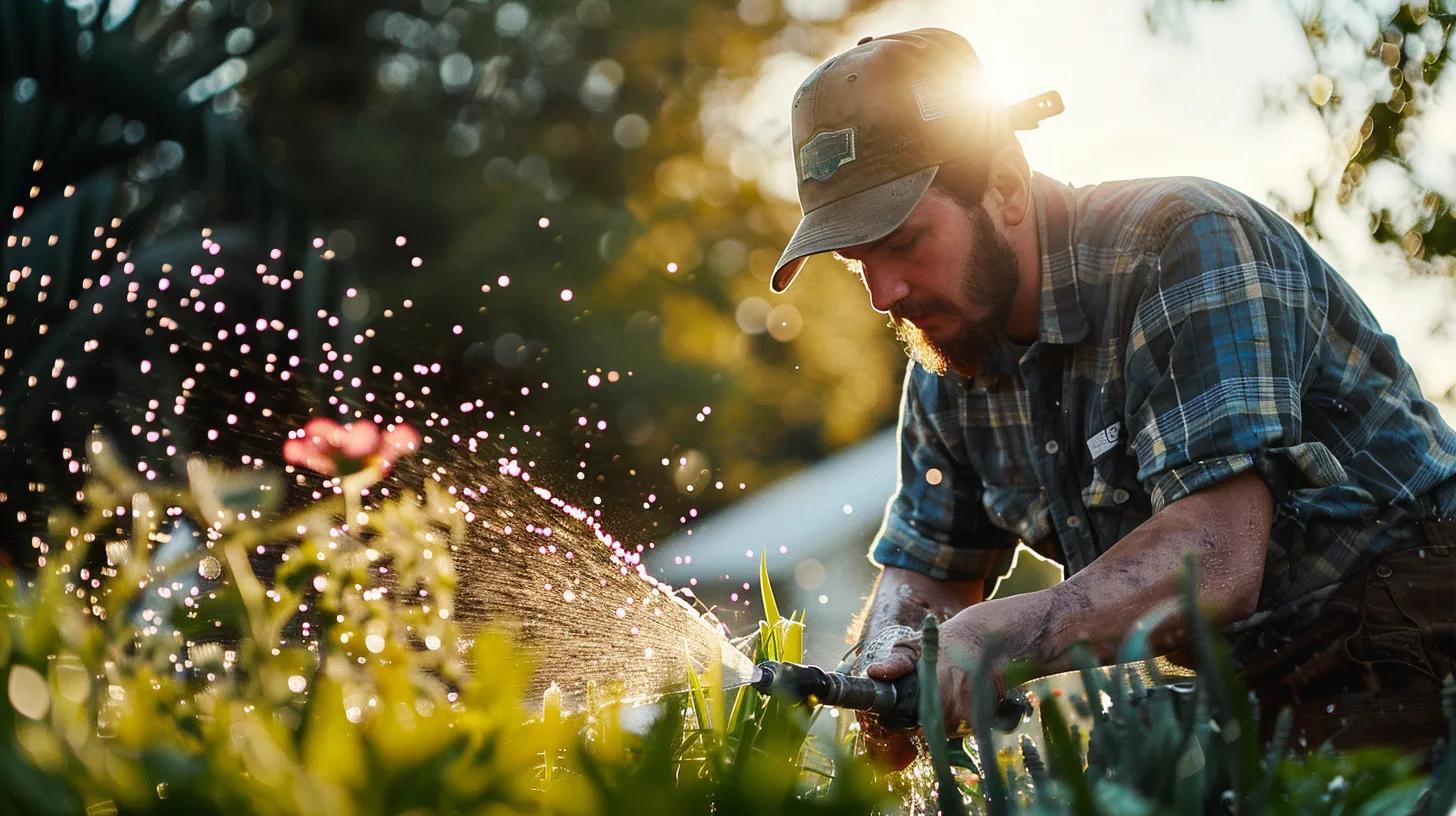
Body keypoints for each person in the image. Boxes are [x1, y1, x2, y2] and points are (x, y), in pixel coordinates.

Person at [770, 28, 1456, 768]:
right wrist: (890, 663)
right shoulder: (951, 357)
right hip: (1266, 674)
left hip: (1418, 621)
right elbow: (928, 574)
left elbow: (1217, 558)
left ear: (1003, 186)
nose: (884, 294)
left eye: (902, 242)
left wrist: (1004, 636)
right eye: (855, 261)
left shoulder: (1185, 242)